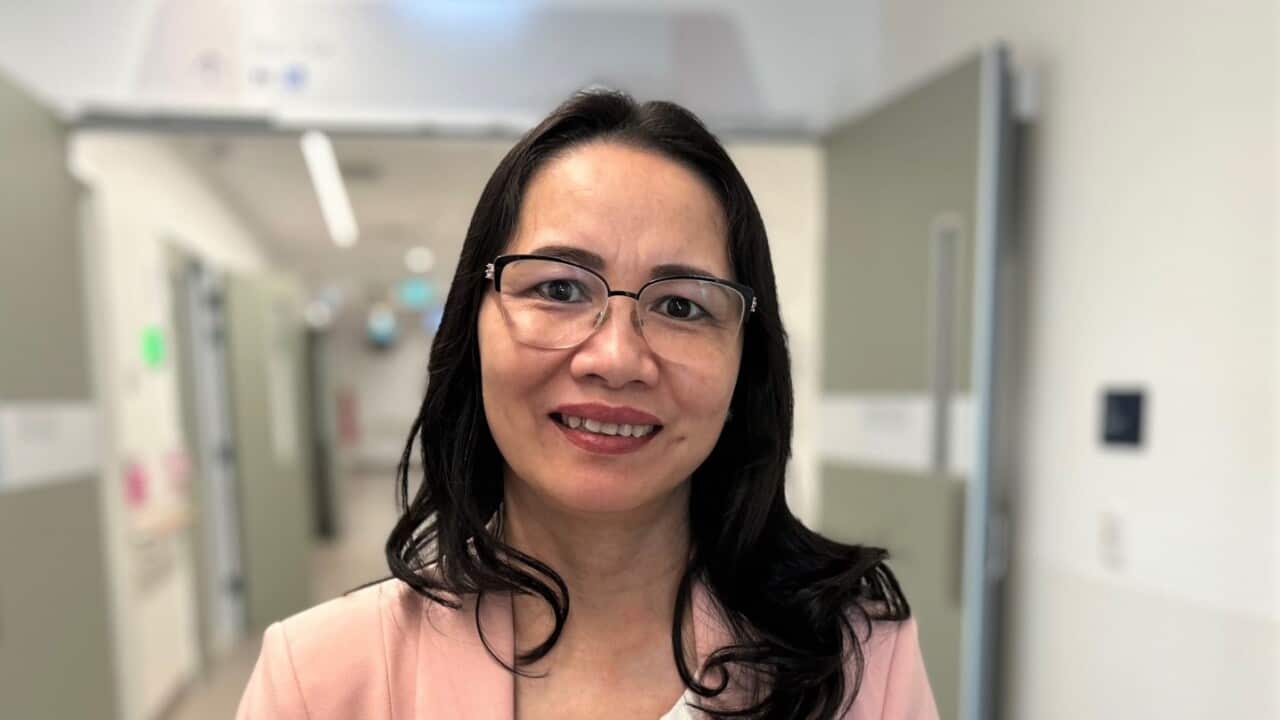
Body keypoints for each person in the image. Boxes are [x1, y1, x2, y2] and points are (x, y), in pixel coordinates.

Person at [236, 90, 938, 720]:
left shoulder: (859, 664)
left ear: (744, 367)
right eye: (560, 290)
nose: (617, 359)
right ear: (471, 330)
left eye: (682, 305)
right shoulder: (318, 682)